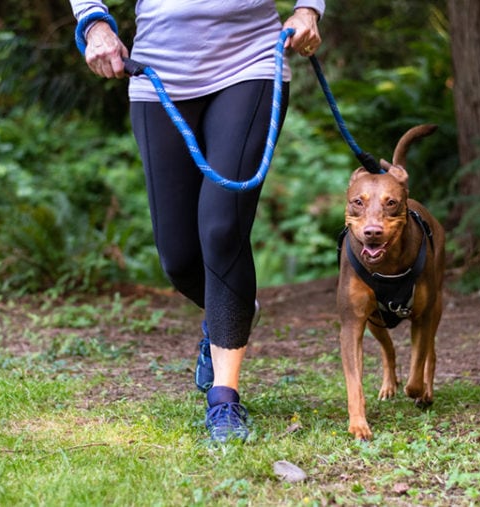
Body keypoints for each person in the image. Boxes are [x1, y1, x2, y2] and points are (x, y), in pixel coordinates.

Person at [70, 0, 324, 442]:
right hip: (158, 70)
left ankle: (224, 401)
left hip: (250, 62)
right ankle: (232, 313)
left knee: (222, 227)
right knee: (179, 257)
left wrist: (308, 10)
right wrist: (93, 23)